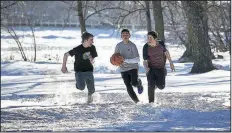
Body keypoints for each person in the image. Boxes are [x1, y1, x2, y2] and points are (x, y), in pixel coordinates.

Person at [61, 32, 98, 103]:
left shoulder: (92, 47)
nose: (92, 41)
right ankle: (78, 84)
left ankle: (89, 102)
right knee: (81, 87)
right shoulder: (77, 49)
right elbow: (66, 55)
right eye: (91, 40)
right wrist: (64, 66)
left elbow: (92, 57)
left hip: (89, 71)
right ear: (85, 40)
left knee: (92, 89)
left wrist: (91, 59)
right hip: (79, 72)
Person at [143, 31, 175, 103]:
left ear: (155, 38)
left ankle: (156, 84)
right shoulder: (146, 47)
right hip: (151, 69)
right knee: (150, 85)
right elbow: (145, 60)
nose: (148, 39)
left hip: (161, 68)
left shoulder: (161, 43)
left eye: (150, 38)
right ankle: (151, 103)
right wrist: (146, 68)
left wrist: (171, 63)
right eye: (148, 38)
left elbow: (166, 52)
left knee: (161, 86)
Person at [114, 29, 144, 103]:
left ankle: (138, 83)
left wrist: (125, 60)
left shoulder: (132, 45)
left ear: (129, 36)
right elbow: (115, 57)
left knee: (133, 83)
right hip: (123, 69)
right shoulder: (118, 45)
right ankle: (137, 101)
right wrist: (114, 61)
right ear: (121, 36)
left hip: (133, 67)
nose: (125, 36)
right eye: (123, 35)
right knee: (128, 86)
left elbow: (137, 59)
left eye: (126, 34)